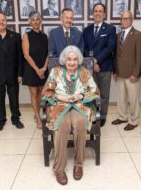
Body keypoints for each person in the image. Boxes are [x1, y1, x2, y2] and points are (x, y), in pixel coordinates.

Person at [42, 45, 99, 185]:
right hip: (59, 105)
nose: (72, 62)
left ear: (78, 60)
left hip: (79, 104)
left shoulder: (84, 72)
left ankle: (78, 164)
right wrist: (61, 98)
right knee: (62, 125)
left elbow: (95, 90)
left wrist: (79, 95)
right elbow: (47, 91)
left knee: (80, 124)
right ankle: (59, 168)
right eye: (69, 59)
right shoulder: (55, 71)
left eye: (75, 59)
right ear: (64, 60)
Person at [83, 3, 116, 127]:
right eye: (95, 11)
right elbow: (84, 48)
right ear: (93, 13)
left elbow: (110, 48)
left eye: (100, 11)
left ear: (104, 14)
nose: (97, 13)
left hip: (105, 67)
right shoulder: (86, 30)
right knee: (91, 93)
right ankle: (92, 114)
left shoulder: (110, 29)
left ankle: (102, 116)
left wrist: (96, 61)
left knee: (104, 94)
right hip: (90, 69)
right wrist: (92, 62)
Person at [112, 11, 141, 131]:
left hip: (132, 74)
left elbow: (139, 56)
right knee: (121, 97)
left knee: (133, 99)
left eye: (127, 18)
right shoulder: (118, 35)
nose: (124, 21)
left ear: (131, 20)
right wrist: (115, 71)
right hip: (120, 73)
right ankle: (122, 117)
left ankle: (134, 121)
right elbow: (115, 55)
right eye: (122, 19)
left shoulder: (138, 35)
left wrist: (136, 73)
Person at [22, 11, 49, 129]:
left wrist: (43, 68)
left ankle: (37, 112)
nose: (35, 22)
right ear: (30, 22)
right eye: (33, 20)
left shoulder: (45, 36)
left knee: (41, 94)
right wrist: (37, 69)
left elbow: (49, 53)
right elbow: (26, 55)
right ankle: (38, 118)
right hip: (31, 69)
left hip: (43, 69)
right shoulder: (26, 36)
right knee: (34, 94)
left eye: (37, 19)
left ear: (40, 21)